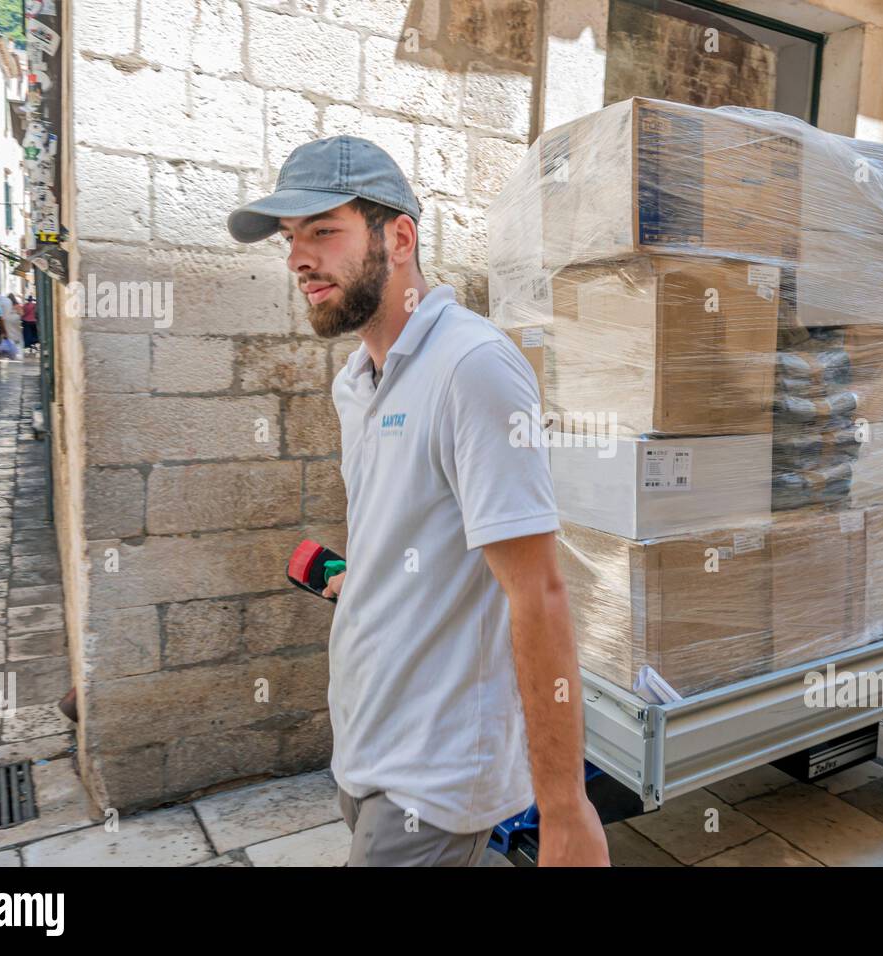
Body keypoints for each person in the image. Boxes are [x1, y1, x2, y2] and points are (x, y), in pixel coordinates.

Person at [227, 137, 609, 868]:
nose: (298, 260)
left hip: (432, 775)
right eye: (291, 239)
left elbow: (539, 594)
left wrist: (565, 810)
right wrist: (355, 578)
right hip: (367, 739)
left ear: (398, 237)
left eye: (323, 231)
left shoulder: (472, 368)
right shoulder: (357, 380)